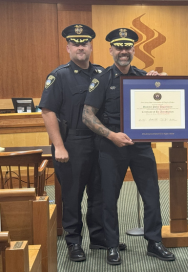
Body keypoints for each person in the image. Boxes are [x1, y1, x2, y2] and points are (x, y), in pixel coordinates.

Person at [82, 28, 175, 265]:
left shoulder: (143, 76)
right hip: (111, 146)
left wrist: (161, 85)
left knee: (152, 195)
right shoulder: (102, 79)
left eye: (128, 47)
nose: (123, 51)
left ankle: (154, 242)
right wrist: (112, 136)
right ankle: (112, 245)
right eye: (119, 47)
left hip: (141, 146)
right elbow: (88, 116)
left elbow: (159, 104)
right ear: (111, 50)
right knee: (109, 197)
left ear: (134, 50)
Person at [39, 24, 110, 262]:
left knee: (99, 192)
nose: (81, 47)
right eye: (76, 43)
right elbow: (48, 112)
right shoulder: (59, 76)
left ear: (91, 46)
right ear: (68, 47)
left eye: (85, 43)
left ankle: (99, 237)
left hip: (99, 142)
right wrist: (58, 146)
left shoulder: (101, 73)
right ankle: (74, 242)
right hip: (72, 143)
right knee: (72, 195)